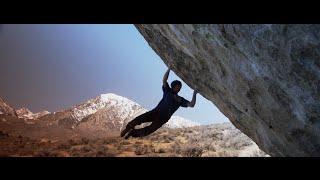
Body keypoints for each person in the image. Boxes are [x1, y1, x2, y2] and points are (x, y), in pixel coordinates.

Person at [120, 67, 198, 139]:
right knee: (140, 119)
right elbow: (164, 80)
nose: (179, 88)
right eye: (177, 86)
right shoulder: (167, 91)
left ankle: (132, 133)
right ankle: (128, 128)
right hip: (156, 112)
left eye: (180, 87)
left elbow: (192, 104)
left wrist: (194, 94)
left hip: (163, 118)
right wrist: (169, 69)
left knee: (149, 130)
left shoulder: (180, 99)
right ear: (173, 86)